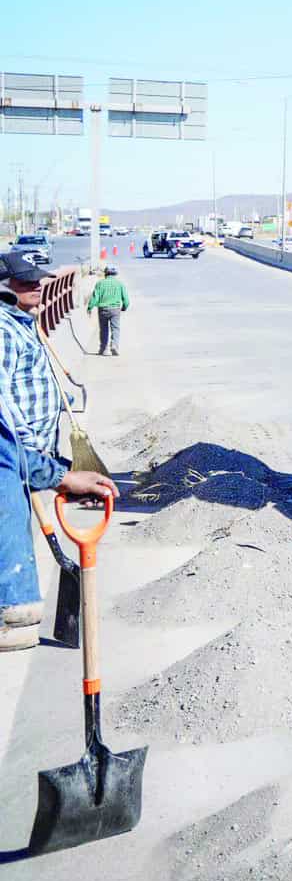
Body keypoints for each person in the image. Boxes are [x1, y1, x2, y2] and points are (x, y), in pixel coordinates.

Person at [1, 264, 117, 653]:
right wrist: (56, 475)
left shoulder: (18, 323)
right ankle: (11, 612)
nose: (35, 286)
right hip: (15, 453)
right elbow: (5, 423)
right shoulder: (2, 330)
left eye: (37, 280)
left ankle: (15, 614)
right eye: (24, 282)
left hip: (24, 455)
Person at [86, 264, 131, 356]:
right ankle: (114, 346)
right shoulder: (120, 284)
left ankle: (103, 349)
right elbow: (126, 300)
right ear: (115, 274)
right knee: (115, 328)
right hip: (115, 309)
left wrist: (90, 307)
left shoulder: (100, 284)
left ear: (105, 273)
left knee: (104, 329)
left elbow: (95, 298)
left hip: (103, 309)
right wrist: (124, 307)